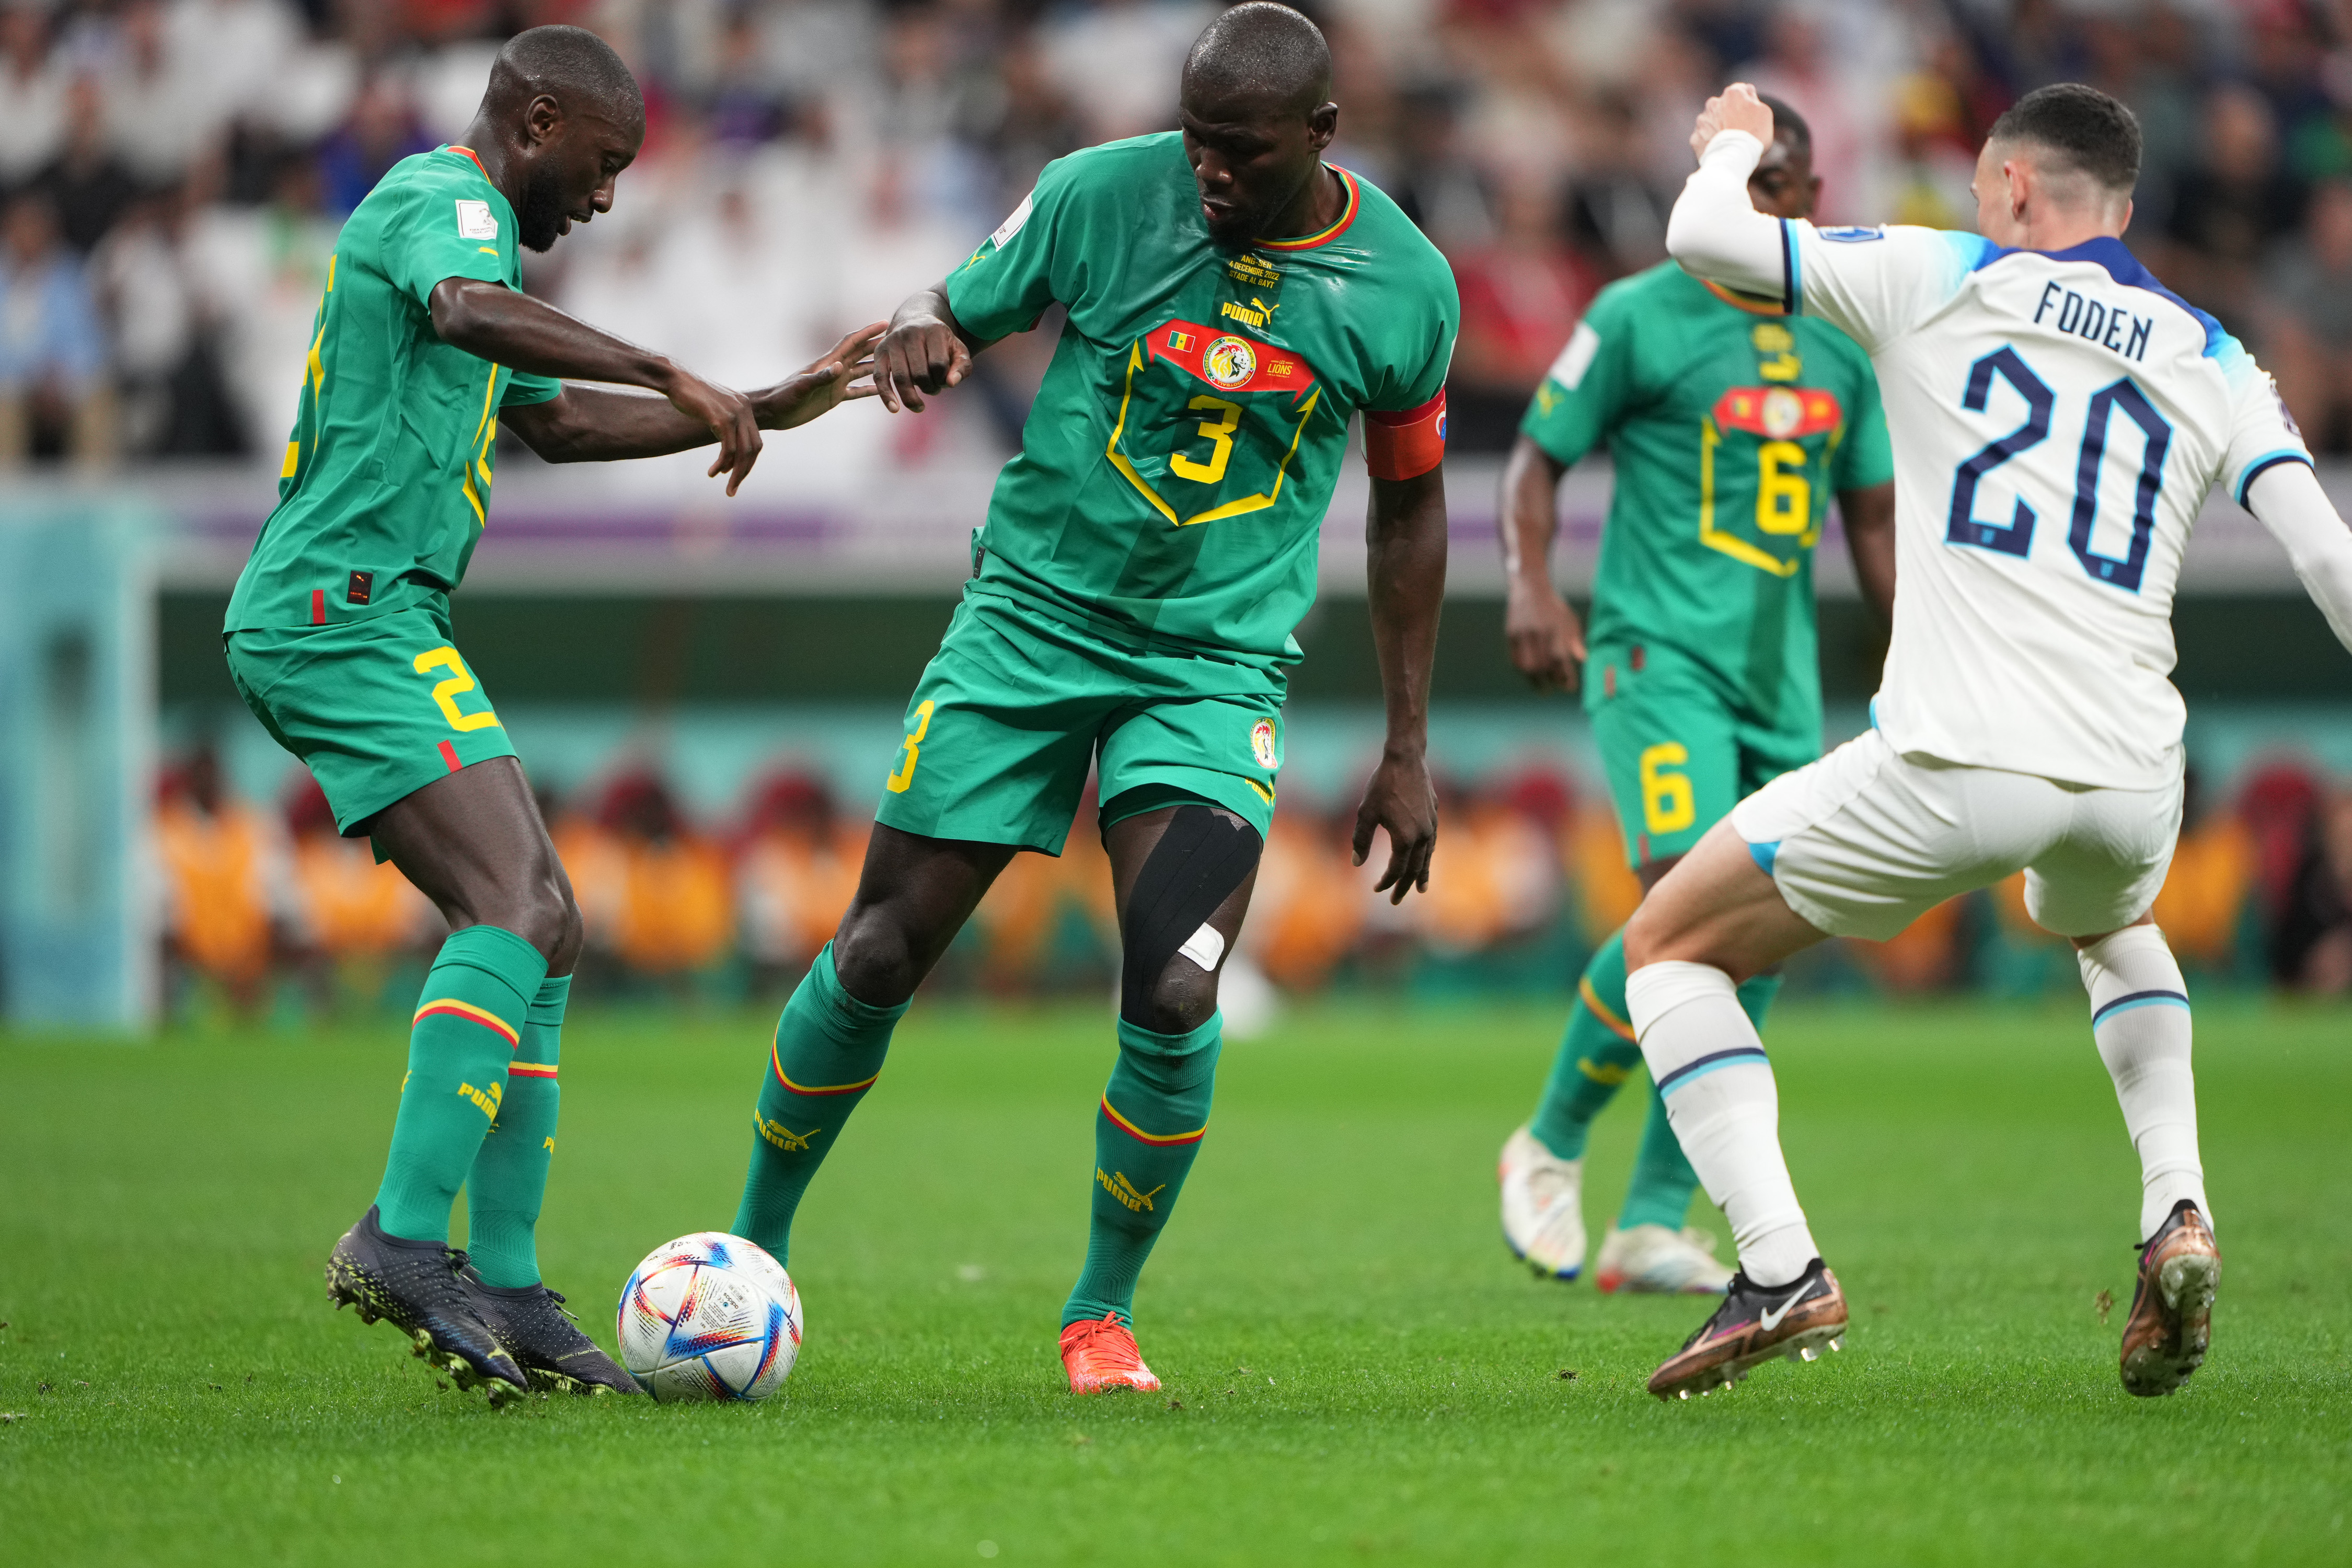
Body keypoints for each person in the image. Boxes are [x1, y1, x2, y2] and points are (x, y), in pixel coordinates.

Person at [727, 2, 1457, 1396]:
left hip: (1208, 669)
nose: (1209, 179)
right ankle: (751, 1252)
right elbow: (946, 298)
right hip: (1027, 630)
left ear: (1320, 136)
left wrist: (1405, 744)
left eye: (1240, 155)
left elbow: (1410, 511)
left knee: (1178, 988)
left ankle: (1098, 1316)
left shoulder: (1405, 287)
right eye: (1196, 148)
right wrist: (923, 335)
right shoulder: (1095, 195)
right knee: (881, 953)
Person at [1626, 81, 2352, 1400]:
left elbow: (1706, 239)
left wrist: (1731, 139)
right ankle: (2174, 1209)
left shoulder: (1942, 273)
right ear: (2122, 207)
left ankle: (1780, 1265)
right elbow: (2327, 557)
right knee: (2109, 924)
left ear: (2016, 190)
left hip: (1961, 761)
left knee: (1667, 951)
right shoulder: (2215, 354)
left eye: (1979, 189)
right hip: (2137, 783)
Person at [221, 25, 880, 1403]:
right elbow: (467, 312)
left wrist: (762, 404)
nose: (607, 194)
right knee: (518, 909)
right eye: (603, 161)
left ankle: (508, 1282)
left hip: (381, 614)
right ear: (535, 121)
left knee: (547, 925)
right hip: (338, 609)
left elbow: (558, 427)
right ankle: (402, 1238)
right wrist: (672, 364)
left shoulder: (475, 252)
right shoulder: (446, 206)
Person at [1494, 97, 1895, 1297]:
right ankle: (1550, 1143)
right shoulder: (1635, 316)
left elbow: (1872, 515)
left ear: (1811, 199)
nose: (1768, 205)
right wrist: (1532, 587)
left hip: (1779, 683)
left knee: (1764, 923)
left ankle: (1652, 1220)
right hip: (1655, 657)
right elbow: (1537, 460)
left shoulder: (1842, 340)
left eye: (1787, 186)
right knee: (1686, 899)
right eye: (1749, 182)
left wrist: (1919, 653)